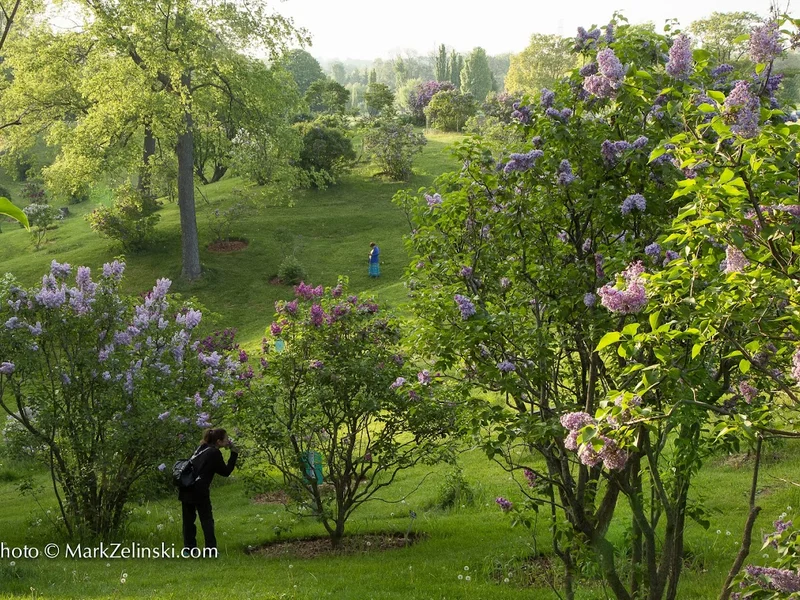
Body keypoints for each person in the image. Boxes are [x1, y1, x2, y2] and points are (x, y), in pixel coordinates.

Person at [179, 428, 238, 554]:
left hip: (186, 486)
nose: (228, 440)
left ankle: (189, 548)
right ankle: (210, 549)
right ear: (218, 441)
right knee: (206, 519)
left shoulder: (201, 448)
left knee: (188, 519)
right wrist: (234, 453)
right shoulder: (214, 453)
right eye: (226, 438)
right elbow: (225, 472)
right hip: (199, 490)